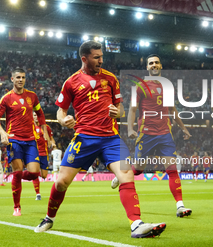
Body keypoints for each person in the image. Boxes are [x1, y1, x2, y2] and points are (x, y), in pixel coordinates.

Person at [34, 41, 166, 238]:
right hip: (84, 138)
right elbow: (60, 113)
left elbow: (121, 109)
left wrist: (117, 112)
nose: (101, 61)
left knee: (126, 176)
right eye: (96, 57)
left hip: (110, 139)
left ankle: (136, 224)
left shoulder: (111, 79)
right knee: (61, 182)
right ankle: (49, 218)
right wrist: (64, 120)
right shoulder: (71, 82)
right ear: (84, 59)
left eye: (102, 56)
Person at [112, 54, 192, 218]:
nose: (154, 65)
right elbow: (132, 110)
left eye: (156, 62)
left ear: (160, 66)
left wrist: (183, 128)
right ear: (147, 67)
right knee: (139, 169)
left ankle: (180, 206)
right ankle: (121, 175)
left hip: (165, 134)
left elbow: (172, 110)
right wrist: (130, 129)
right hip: (146, 134)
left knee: (172, 170)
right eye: (151, 63)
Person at [0, 67, 49, 216]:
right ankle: (17, 206)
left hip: (30, 140)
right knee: (18, 172)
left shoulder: (33, 96)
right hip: (14, 140)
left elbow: (40, 114)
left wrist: (44, 130)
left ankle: (16, 176)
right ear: (12, 79)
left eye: (23, 77)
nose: (20, 80)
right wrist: (2, 132)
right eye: (18, 77)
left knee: (35, 173)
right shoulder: (6, 98)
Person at [32, 113, 56, 201]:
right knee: (35, 172)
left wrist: (53, 143)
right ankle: (38, 193)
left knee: (44, 175)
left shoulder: (46, 127)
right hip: (34, 153)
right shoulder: (30, 127)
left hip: (44, 154)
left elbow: (51, 138)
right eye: (34, 115)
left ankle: (34, 173)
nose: (36, 117)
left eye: (37, 115)